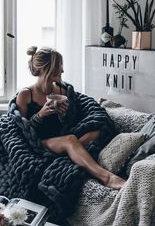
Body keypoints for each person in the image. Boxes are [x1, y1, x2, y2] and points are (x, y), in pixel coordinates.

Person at [16, 46, 125, 190]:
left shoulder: (63, 90)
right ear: (47, 69)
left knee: (97, 130)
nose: (62, 70)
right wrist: (40, 115)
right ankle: (107, 178)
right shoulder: (26, 94)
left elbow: (75, 117)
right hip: (41, 142)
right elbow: (21, 130)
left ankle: (74, 155)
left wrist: (63, 115)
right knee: (70, 140)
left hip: (62, 136)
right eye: (59, 66)